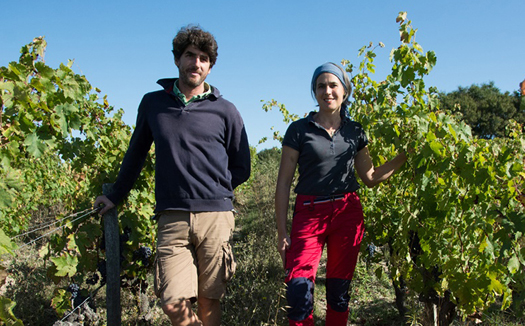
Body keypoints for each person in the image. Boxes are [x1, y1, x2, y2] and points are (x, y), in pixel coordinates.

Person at [94, 25, 251, 326]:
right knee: (172, 302)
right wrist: (115, 195)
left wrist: (216, 190)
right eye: (190, 55)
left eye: (204, 58)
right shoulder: (154, 104)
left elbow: (242, 164)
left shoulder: (226, 110)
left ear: (210, 66)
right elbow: (136, 154)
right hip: (171, 215)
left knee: (208, 299)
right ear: (177, 60)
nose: (196, 63)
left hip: (216, 216)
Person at [275, 62, 407, 326]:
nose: (327, 91)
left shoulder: (355, 131)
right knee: (298, 290)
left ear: (344, 91)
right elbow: (284, 183)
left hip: (348, 214)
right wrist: (281, 232)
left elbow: (369, 177)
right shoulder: (299, 130)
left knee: (339, 293)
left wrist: (404, 157)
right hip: (309, 213)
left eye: (333, 85)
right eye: (321, 86)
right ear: (314, 92)